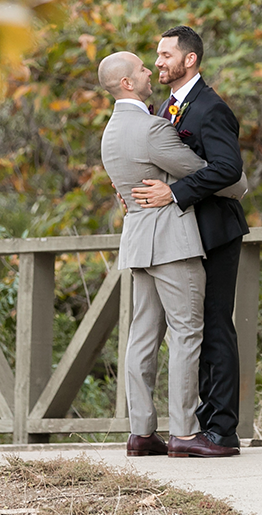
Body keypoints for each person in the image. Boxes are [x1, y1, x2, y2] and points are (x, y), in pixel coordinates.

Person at [98, 50, 243, 458]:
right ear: (127, 82)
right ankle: (184, 431)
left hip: (137, 242)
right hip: (172, 244)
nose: (150, 72)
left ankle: (141, 432)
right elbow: (205, 169)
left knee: (142, 337)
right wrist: (239, 183)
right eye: (143, 68)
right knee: (186, 333)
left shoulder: (110, 132)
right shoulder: (152, 129)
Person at [131, 26, 249, 450]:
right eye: (157, 56)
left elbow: (227, 169)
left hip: (215, 232)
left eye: (165, 55)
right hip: (177, 239)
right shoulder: (166, 108)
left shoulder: (211, 107)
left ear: (190, 59)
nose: (159, 61)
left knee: (215, 326)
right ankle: (191, 426)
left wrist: (174, 193)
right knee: (185, 329)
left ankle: (220, 429)